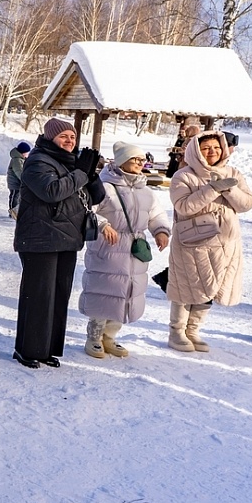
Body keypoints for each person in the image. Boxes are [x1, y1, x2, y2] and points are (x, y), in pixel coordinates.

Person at [12, 118, 104, 368]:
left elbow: (98, 197)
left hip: (67, 238)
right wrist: (81, 173)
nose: (69, 141)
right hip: (39, 238)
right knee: (38, 296)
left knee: (58, 296)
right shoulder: (37, 161)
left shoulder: (72, 163)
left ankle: (46, 349)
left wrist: (92, 174)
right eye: (63, 136)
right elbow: (51, 191)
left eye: (72, 138)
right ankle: (27, 349)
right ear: (50, 137)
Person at [163, 131, 252, 352]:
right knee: (187, 287)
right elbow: (184, 207)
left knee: (212, 287)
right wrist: (212, 189)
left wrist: (230, 189)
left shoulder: (233, 172)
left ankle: (193, 330)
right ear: (196, 151)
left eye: (216, 147)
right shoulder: (183, 176)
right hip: (193, 242)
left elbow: (248, 204)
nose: (212, 151)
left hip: (226, 242)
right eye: (206, 148)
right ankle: (177, 332)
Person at [78, 142, 170, 358]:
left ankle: (110, 337)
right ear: (121, 161)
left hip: (134, 250)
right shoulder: (104, 186)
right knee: (104, 292)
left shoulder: (145, 191)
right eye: (134, 159)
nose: (139, 163)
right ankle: (94, 337)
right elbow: (85, 209)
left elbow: (156, 214)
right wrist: (103, 225)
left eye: (142, 159)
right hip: (107, 247)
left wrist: (161, 231)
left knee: (126, 293)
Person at [7, 141, 30, 218]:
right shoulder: (16, 160)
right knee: (14, 196)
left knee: (18, 197)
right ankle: (12, 211)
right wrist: (24, 180)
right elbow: (19, 171)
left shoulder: (21, 159)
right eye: (26, 152)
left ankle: (16, 211)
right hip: (14, 183)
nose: (27, 154)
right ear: (22, 152)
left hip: (19, 182)